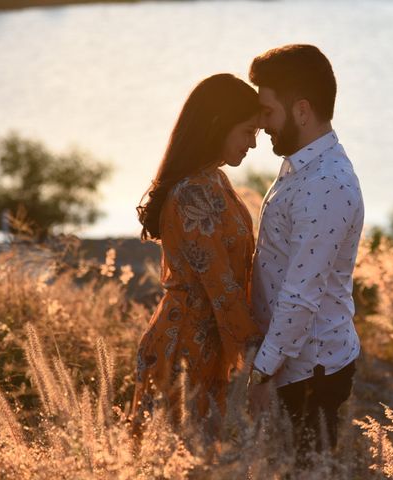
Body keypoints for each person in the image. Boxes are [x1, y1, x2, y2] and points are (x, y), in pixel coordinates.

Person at [247, 45, 365, 457]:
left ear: (301, 110)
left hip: (309, 371)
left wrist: (262, 373)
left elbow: (301, 294)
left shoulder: (326, 184)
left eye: (268, 111)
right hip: (294, 363)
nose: (261, 125)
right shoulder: (305, 166)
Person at [131, 74, 262, 433]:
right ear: (218, 125)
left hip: (208, 344)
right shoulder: (192, 194)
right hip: (184, 349)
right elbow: (221, 287)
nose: (253, 144)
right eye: (248, 131)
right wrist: (262, 358)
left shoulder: (215, 180)